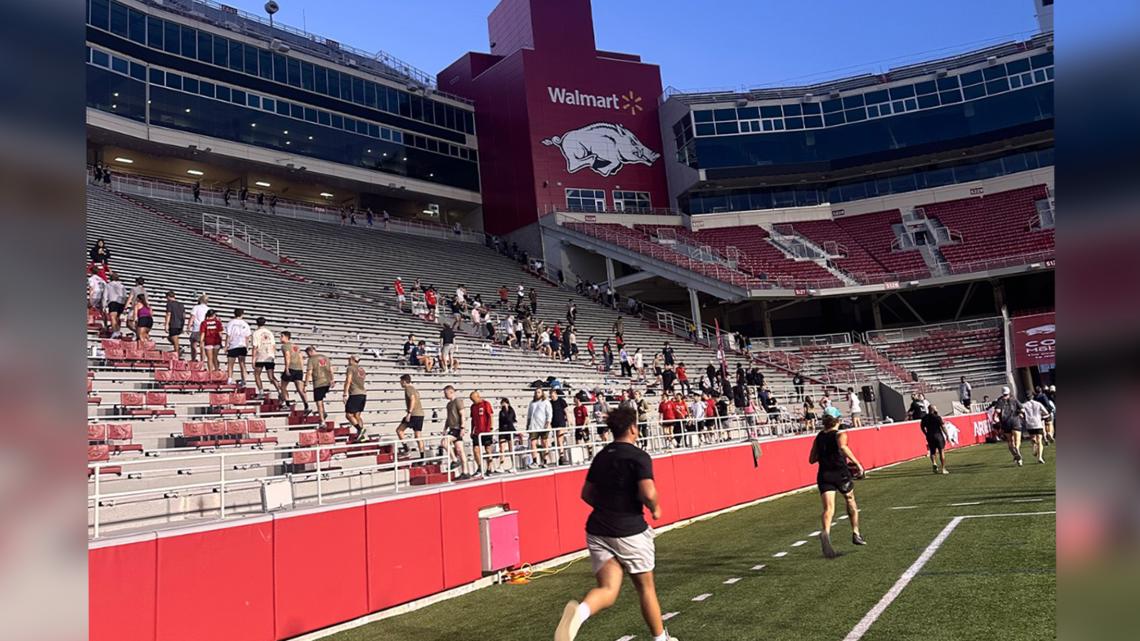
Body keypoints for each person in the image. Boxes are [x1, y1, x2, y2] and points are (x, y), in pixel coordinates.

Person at [554, 407, 673, 641]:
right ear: (632, 428)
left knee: (608, 589)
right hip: (629, 530)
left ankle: (580, 612)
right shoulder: (638, 456)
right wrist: (655, 508)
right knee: (646, 588)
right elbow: (648, 492)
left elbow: (586, 494)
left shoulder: (602, 455)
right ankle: (661, 640)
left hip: (598, 528)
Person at [808, 415, 867, 558]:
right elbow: (843, 447)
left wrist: (824, 454)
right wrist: (858, 464)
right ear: (837, 422)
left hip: (824, 474)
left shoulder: (819, 437)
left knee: (828, 508)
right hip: (840, 473)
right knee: (850, 499)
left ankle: (826, 532)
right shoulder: (840, 434)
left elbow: (811, 459)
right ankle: (856, 532)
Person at [443, 386, 471, 480]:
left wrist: (463, 427)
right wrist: (445, 428)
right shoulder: (449, 404)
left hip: (457, 428)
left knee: (444, 442)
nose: (445, 395)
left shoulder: (458, 401)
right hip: (452, 427)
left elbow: (463, 414)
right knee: (460, 450)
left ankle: (455, 460)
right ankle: (465, 472)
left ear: (451, 392)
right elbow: (448, 418)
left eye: (446, 393)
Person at [992, 386, 1025, 466]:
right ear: (1009, 392)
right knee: (1017, 440)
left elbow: (997, 413)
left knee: (1010, 441)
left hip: (1005, 423)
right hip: (1015, 421)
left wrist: (996, 420)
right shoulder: (1014, 399)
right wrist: (1020, 413)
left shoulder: (1000, 401)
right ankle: (1017, 448)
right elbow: (1022, 409)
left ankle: (1016, 457)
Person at [396, 374, 427, 456]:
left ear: (404, 381)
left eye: (400, 381)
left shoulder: (408, 389)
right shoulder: (414, 389)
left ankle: (406, 449)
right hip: (420, 414)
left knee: (399, 430)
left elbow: (412, 399)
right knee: (418, 436)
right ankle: (422, 456)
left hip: (414, 414)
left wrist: (409, 413)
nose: (400, 383)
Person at [250, 317, 282, 399]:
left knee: (257, 374)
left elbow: (255, 346)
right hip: (269, 356)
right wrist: (273, 355)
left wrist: (253, 359)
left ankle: (261, 392)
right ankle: (280, 391)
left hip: (261, 356)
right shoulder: (269, 332)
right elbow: (273, 345)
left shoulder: (256, 333)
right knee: (271, 376)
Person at [304, 346, 334, 426]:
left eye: (307, 354)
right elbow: (331, 370)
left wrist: (306, 384)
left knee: (319, 402)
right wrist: (332, 380)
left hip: (318, 383)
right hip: (327, 381)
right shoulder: (325, 357)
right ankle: (323, 413)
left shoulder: (311, 359)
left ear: (310, 352)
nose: (308, 356)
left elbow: (309, 372)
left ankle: (322, 420)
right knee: (321, 399)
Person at [279, 331, 308, 412]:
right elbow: (301, 357)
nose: (280, 338)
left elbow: (287, 356)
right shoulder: (296, 346)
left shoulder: (285, 346)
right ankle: (306, 406)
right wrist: (302, 369)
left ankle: (287, 404)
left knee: (283, 387)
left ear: (286, 337)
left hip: (291, 367)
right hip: (299, 369)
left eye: (281, 336)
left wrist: (287, 368)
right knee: (300, 389)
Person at [342, 355, 369, 441]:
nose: (348, 360)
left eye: (349, 359)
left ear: (352, 360)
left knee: (349, 415)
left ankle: (360, 430)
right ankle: (361, 436)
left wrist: (345, 393)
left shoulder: (350, 368)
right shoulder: (362, 370)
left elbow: (348, 380)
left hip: (355, 393)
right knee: (357, 415)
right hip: (363, 393)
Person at [1020, 393, 1051, 464]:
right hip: (1038, 423)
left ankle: (1034, 447)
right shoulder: (1038, 404)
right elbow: (1046, 412)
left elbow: (1021, 414)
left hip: (1029, 424)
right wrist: (1042, 417)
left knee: (1033, 438)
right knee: (1040, 440)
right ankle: (1040, 457)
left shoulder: (1023, 405)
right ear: (1032, 397)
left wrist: (1024, 418)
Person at [527, 388, 554, 468]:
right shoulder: (532, 403)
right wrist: (527, 424)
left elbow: (549, 413)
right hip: (533, 426)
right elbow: (529, 415)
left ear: (542, 393)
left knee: (544, 442)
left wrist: (548, 422)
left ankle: (545, 461)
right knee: (533, 443)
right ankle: (535, 461)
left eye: (538, 392)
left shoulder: (546, 402)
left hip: (543, 426)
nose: (537, 394)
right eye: (536, 392)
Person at [224, 309, 252, 386]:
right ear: (242, 314)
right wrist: (247, 346)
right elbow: (247, 337)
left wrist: (226, 345)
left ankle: (229, 379)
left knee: (230, 364)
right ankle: (244, 379)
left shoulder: (231, 323)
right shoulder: (245, 324)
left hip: (233, 345)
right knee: (242, 364)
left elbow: (228, 335)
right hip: (242, 345)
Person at [920, 404, 950, 474]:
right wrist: (947, 435)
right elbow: (943, 427)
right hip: (938, 435)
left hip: (930, 436)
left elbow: (922, 427)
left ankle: (934, 463)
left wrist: (926, 433)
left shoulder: (925, 418)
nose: (937, 409)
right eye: (936, 408)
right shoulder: (937, 417)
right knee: (941, 451)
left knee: (932, 452)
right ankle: (943, 469)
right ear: (933, 410)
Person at [470, 391, 495, 476]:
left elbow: (490, 416)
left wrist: (491, 427)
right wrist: (471, 430)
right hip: (477, 432)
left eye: (474, 399)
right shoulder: (473, 407)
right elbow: (472, 420)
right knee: (475, 449)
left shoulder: (486, 404)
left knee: (488, 449)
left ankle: (489, 468)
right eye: (471, 400)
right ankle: (480, 468)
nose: (473, 401)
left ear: (478, 397)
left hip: (486, 431)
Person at [101, 273, 127, 338]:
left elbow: (105, 296)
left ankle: (115, 332)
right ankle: (117, 331)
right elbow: (125, 296)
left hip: (113, 301)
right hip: (121, 302)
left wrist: (104, 305)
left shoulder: (108, 285)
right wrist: (125, 305)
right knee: (117, 318)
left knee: (113, 317)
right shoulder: (122, 286)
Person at [497, 398, 519, 472]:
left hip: (510, 430)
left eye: (504, 403)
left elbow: (509, 420)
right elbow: (500, 422)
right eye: (502, 403)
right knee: (501, 448)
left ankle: (513, 465)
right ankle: (501, 466)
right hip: (502, 431)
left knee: (511, 449)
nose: (503, 405)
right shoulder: (501, 412)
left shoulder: (511, 411)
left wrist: (506, 411)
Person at [199, 309, 224, 374]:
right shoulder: (218, 322)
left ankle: (210, 373)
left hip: (208, 342)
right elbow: (220, 334)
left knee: (209, 359)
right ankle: (216, 371)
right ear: (213, 315)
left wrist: (201, 342)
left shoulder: (204, 323)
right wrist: (221, 342)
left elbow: (202, 334)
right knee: (215, 357)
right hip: (216, 341)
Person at [162, 291, 186, 358]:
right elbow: (184, 315)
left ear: (168, 297)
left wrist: (166, 324)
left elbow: (168, 314)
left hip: (173, 324)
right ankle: (178, 348)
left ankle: (177, 353)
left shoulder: (169, 304)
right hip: (180, 324)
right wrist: (183, 325)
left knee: (175, 340)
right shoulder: (181, 304)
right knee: (170, 337)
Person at [550, 388, 570, 463]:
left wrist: (569, 422)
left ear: (555, 393)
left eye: (552, 394)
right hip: (554, 423)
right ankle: (560, 456)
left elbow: (567, 412)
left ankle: (562, 456)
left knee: (559, 439)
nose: (551, 396)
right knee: (557, 441)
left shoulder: (561, 401)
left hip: (561, 423)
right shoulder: (550, 403)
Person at [189, 294, 210, 362]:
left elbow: (193, 317)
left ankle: (193, 359)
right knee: (202, 345)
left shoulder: (196, 307)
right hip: (205, 329)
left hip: (197, 328)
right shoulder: (208, 309)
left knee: (193, 344)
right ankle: (202, 361)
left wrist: (189, 325)